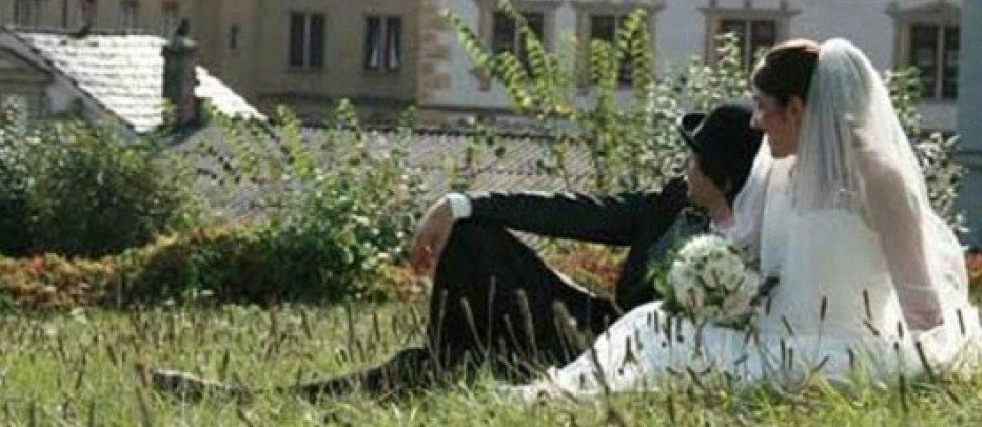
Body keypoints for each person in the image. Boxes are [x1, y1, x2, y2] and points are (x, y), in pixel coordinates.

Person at [516, 38, 982, 399]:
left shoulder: (879, 177)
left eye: (764, 109)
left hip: (846, 349)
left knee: (659, 346)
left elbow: (921, 304)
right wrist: (713, 284)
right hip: (774, 336)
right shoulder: (779, 171)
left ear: (799, 108)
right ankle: (554, 396)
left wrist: (934, 353)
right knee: (647, 326)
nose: (754, 124)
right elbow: (748, 252)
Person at [151, 100, 763, 398]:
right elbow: (571, 211)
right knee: (474, 238)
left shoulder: (755, 238)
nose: (682, 166)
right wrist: (463, 202)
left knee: (409, 374)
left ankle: (247, 399)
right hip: (582, 325)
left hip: (625, 356)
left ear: (720, 173)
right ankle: (446, 360)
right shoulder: (668, 204)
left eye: (692, 157)